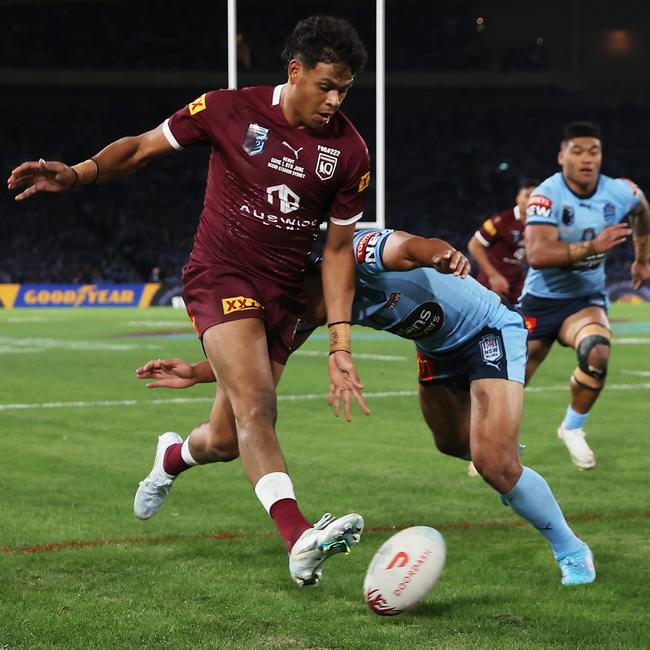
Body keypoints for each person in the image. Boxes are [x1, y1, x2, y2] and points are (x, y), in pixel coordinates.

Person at [7, 16, 374, 587]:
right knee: (258, 405)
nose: (334, 100)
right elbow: (143, 149)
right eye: (326, 85)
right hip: (220, 276)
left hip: (283, 295)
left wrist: (340, 342)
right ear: (295, 71)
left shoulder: (350, 150)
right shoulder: (227, 109)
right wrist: (77, 174)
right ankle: (299, 537)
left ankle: (171, 458)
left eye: (345, 89)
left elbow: (336, 250)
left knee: (227, 439)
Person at [137, 229, 596, 586]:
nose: (292, 307)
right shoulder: (304, 310)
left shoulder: (357, 254)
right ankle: (506, 469)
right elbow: (250, 369)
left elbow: (408, 247)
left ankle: (570, 548)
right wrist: (197, 372)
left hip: (489, 331)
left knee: (494, 462)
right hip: (435, 350)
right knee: (454, 445)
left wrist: (439, 252)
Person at [521, 122, 650, 470]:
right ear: (562, 156)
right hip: (541, 300)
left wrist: (642, 258)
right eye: (577, 151)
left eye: (593, 151)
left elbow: (641, 209)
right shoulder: (547, 195)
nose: (586, 158)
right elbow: (538, 254)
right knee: (515, 380)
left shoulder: (619, 191)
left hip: (585, 299)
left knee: (597, 351)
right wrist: (593, 246)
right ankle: (496, 445)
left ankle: (572, 428)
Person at [467, 178, 539, 305]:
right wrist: (493, 275)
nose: (531, 201)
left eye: (536, 196)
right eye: (527, 196)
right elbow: (474, 245)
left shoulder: (540, 224)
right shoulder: (502, 220)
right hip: (492, 284)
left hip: (517, 286)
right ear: (517, 198)